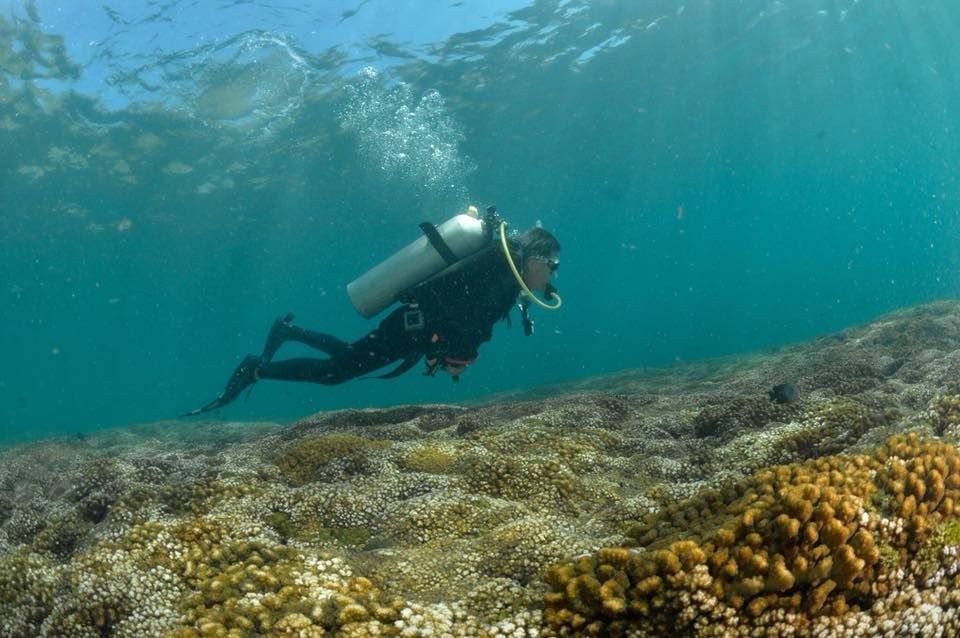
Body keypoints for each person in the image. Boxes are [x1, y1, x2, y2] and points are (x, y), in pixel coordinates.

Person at [185, 211, 560, 415]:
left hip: (415, 325)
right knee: (335, 373)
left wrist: (452, 350)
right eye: (552, 265)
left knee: (350, 356)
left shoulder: (498, 271)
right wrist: (458, 359)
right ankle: (256, 368)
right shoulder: (498, 277)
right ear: (537, 258)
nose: (552, 275)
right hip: (412, 327)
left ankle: (290, 333)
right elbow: (471, 325)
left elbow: (464, 317)